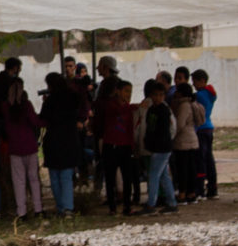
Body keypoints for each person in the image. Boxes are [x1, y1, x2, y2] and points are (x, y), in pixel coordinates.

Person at [93, 58, 138, 216]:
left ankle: (126, 205)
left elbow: (130, 127)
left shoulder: (125, 107)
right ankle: (113, 207)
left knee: (126, 178)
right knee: (111, 177)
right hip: (111, 144)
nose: (128, 95)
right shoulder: (112, 105)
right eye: (126, 92)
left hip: (124, 145)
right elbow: (115, 112)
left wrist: (132, 145)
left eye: (130, 92)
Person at [40, 71, 86, 218]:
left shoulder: (50, 101)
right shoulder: (73, 97)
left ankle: (60, 207)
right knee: (66, 176)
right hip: (70, 139)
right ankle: (68, 208)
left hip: (53, 140)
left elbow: (43, 119)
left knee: (54, 177)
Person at [138, 81, 179, 215]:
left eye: (161, 95)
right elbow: (149, 129)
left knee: (154, 175)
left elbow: (165, 131)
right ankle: (172, 202)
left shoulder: (163, 111)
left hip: (162, 148)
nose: (158, 98)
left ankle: (151, 204)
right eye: (155, 95)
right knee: (163, 176)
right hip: (157, 148)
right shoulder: (151, 110)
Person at [3, 81, 43, 219]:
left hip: (14, 147)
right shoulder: (27, 106)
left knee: (18, 181)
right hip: (30, 146)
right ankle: (38, 209)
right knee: (34, 179)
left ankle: (22, 212)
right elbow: (36, 122)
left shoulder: (5, 107)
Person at [169, 79, 205, 203]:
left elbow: (179, 124)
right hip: (192, 140)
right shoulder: (192, 103)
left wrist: (171, 135)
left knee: (182, 169)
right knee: (191, 168)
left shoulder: (183, 105)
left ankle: (183, 193)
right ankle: (192, 192)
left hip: (183, 142)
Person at [192, 70, 219, 200]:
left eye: (195, 81)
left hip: (200, 128)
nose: (194, 84)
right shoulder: (210, 94)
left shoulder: (199, 96)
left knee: (200, 159)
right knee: (209, 158)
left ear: (202, 81)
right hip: (208, 127)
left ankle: (200, 188)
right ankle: (212, 188)